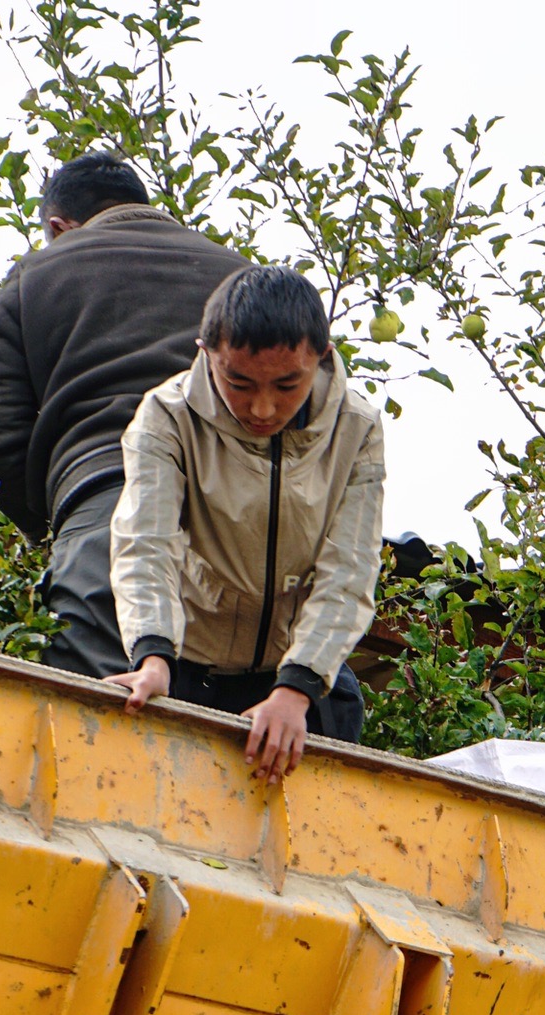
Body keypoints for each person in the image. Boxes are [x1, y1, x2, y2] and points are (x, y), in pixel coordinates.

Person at [0, 150, 250, 677]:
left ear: (56, 226)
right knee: (265, 748)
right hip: (248, 528)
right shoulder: (242, 279)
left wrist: (58, 516)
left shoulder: (36, 274)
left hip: (107, 517)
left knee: (104, 737)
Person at [104, 266, 383, 783]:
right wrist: (153, 656)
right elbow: (146, 544)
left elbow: (350, 570)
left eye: (287, 384)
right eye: (238, 382)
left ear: (320, 358)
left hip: (302, 683)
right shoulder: (166, 417)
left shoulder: (357, 428)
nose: (262, 407)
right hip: (188, 669)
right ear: (207, 353)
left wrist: (295, 689)